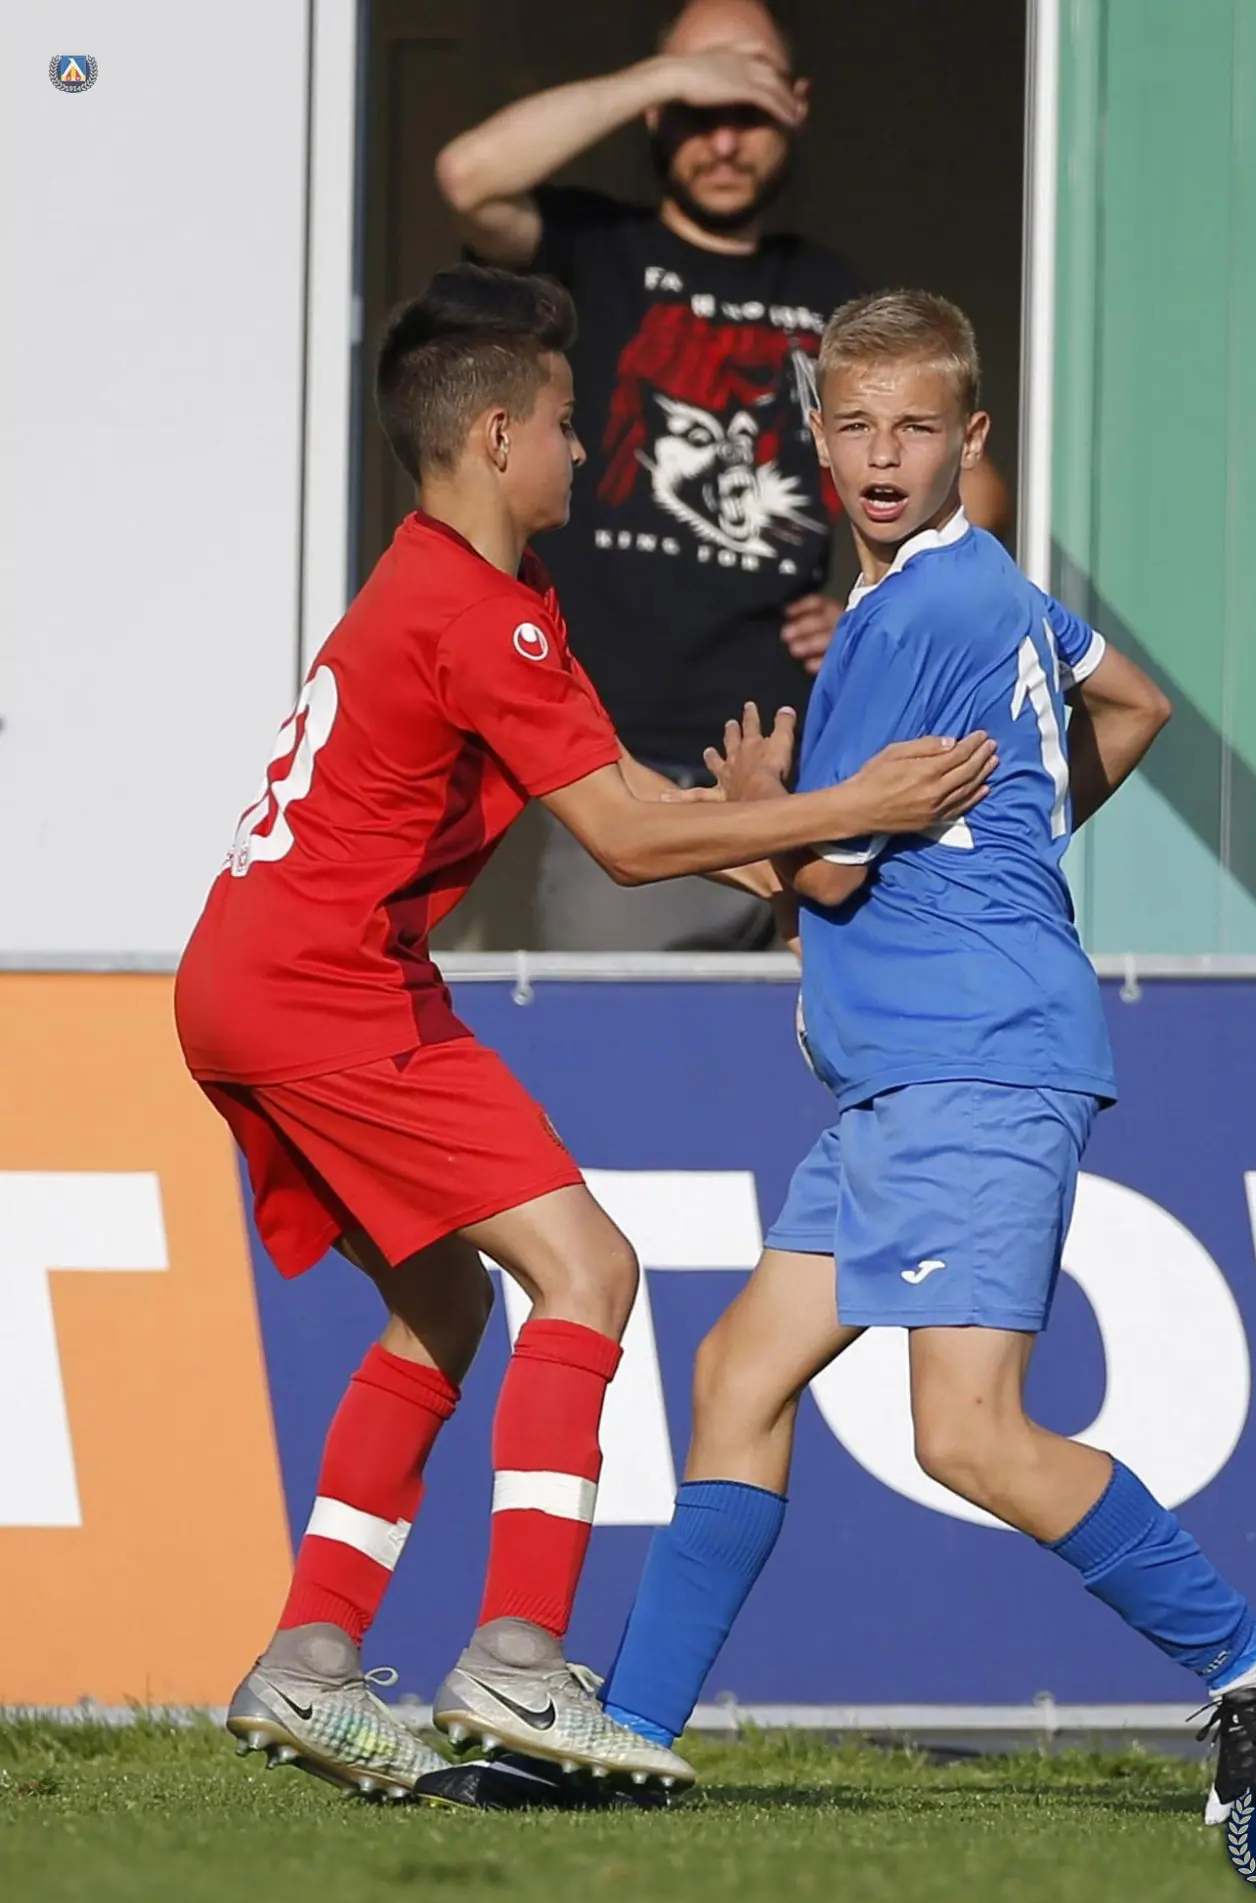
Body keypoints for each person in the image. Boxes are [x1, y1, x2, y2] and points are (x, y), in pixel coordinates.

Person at [455, 291, 1256, 1820]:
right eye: (857, 426)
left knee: (969, 1434)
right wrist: (1008, 833)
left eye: (916, 429)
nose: (882, 456)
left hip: (972, 1065)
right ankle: (632, 1748)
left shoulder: (906, 619)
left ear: (969, 439)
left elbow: (823, 871)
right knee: (738, 1374)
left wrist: (757, 805)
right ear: (814, 436)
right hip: (910, 1080)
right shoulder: (983, 584)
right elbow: (1129, 703)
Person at [172, 264, 996, 1806]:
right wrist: (854, 804)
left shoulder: (460, 587)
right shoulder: (482, 614)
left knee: (441, 1306)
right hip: (331, 990)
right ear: (498, 437)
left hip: (251, 983)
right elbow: (621, 842)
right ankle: (520, 1657)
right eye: (564, 421)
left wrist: (787, 851)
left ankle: (311, 1660)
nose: (583, 446)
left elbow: (615, 792)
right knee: (591, 1271)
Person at [436, 0, 1010, 950]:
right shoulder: (590, 253)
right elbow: (470, 175)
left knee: (818, 1039)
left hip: (812, 769)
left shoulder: (831, 296)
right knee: (639, 1039)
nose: (725, 138)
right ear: (658, 113)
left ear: (797, 105)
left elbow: (973, 490)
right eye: (700, 109)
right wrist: (671, 74)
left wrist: (882, 607)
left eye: (749, 106)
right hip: (627, 774)